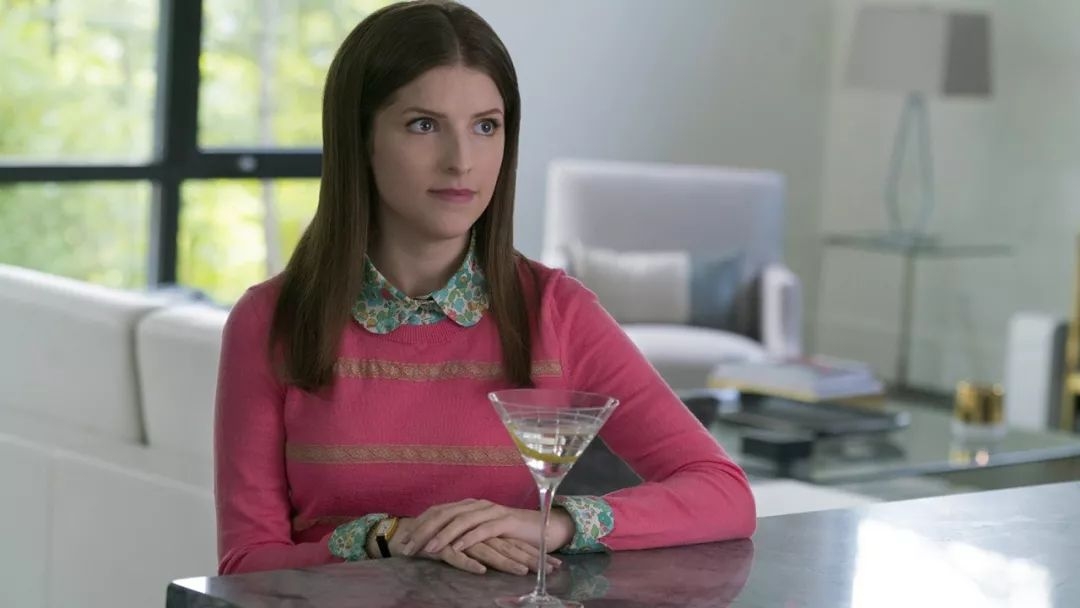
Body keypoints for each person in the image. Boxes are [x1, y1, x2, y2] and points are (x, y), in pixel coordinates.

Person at [214, 0, 755, 578]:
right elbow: (245, 564)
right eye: (424, 125)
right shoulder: (269, 320)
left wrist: (551, 525)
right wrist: (384, 538)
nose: (461, 162)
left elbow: (724, 493)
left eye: (485, 126)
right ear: (360, 138)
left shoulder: (556, 311)